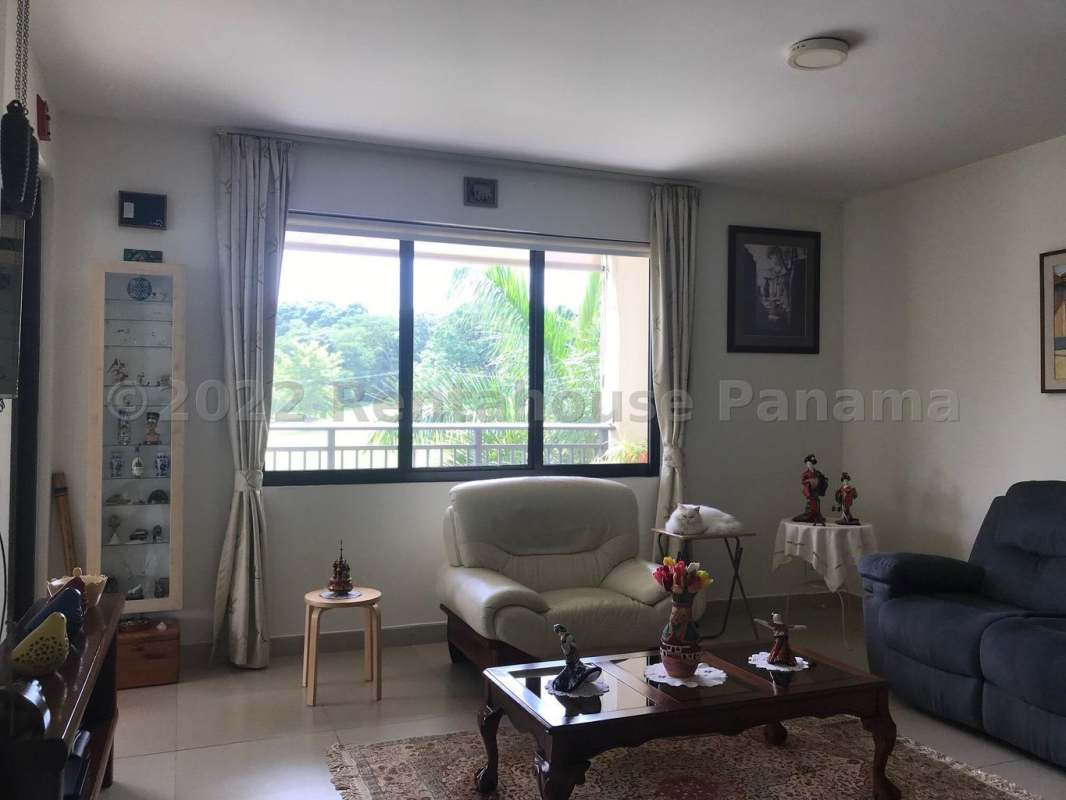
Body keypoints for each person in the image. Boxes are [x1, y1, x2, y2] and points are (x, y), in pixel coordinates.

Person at [792, 453, 827, 524]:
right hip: (810, 490)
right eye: (808, 464)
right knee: (810, 503)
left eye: (810, 463)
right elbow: (803, 481)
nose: (809, 465)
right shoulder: (805, 474)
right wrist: (810, 481)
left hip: (816, 490)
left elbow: (822, 479)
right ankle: (809, 515)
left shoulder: (817, 473)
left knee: (817, 502)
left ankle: (817, 515)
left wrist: (821, 480)